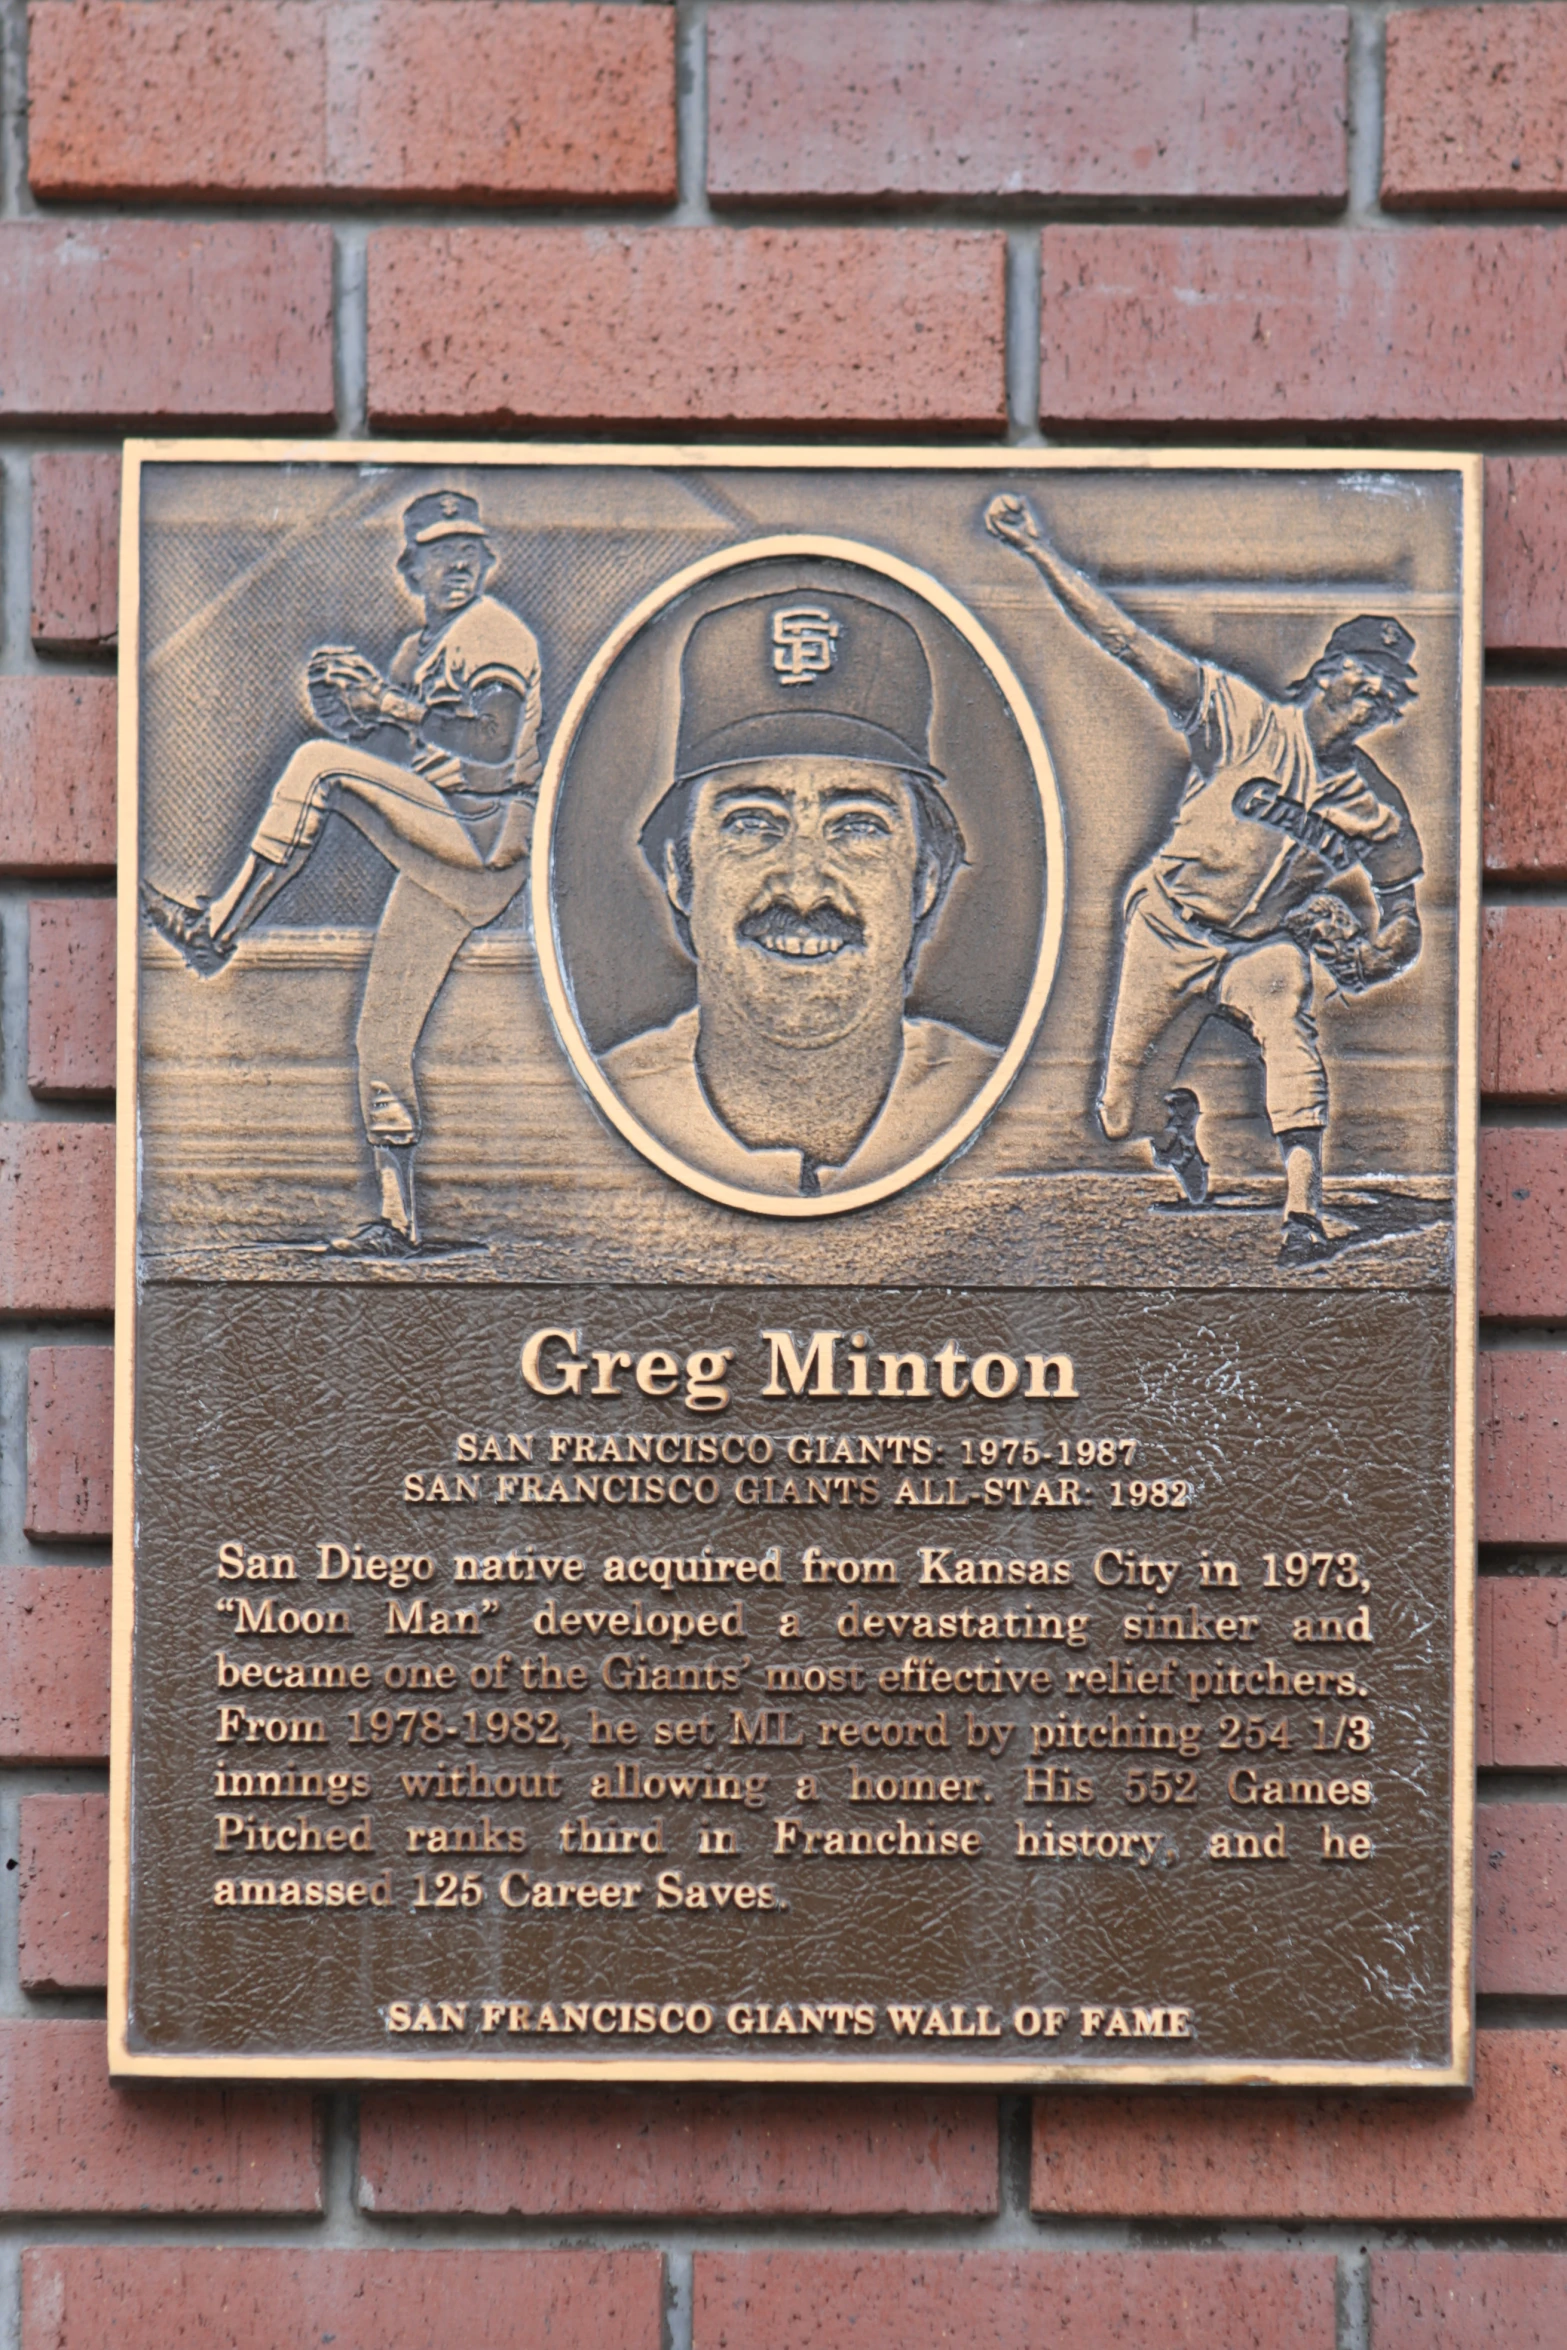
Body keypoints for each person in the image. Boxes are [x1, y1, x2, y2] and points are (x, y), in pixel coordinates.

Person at [985, 491, 1425, 1264]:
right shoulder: (1241, 718)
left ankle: (1301, 1211)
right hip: (1169, 930)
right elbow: (1124, 638)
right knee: (1120, 1115)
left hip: (1260, 947)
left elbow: (1401, 903)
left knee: (1290, 1028)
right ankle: (1173, 1125)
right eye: (1365, 679)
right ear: (1326, 673)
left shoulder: (1374, 806)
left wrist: (1391, 942)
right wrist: (1036, 548)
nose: (1375, 701)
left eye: (1389, 694)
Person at [142, 489, 543, 1256]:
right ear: (410, 569)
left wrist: (383, 707)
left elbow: (490, 741)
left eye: (469, 549)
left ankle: (215, 931)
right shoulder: (411, 652)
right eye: (438, 552)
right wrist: (360, 714)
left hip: (490, 832)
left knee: (314, 767)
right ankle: (398, 1221)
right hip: (442, 841)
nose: (456, 562)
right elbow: (393, 764)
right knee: (380, 1031)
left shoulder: (494, 629)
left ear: (488, 561)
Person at [605, 589, 996, 1198]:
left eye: (859, 826)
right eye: (753, 823)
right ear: (681, 872)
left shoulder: (1002, 1105)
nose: (805, 886)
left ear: (924, 881)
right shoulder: (607, 1104)